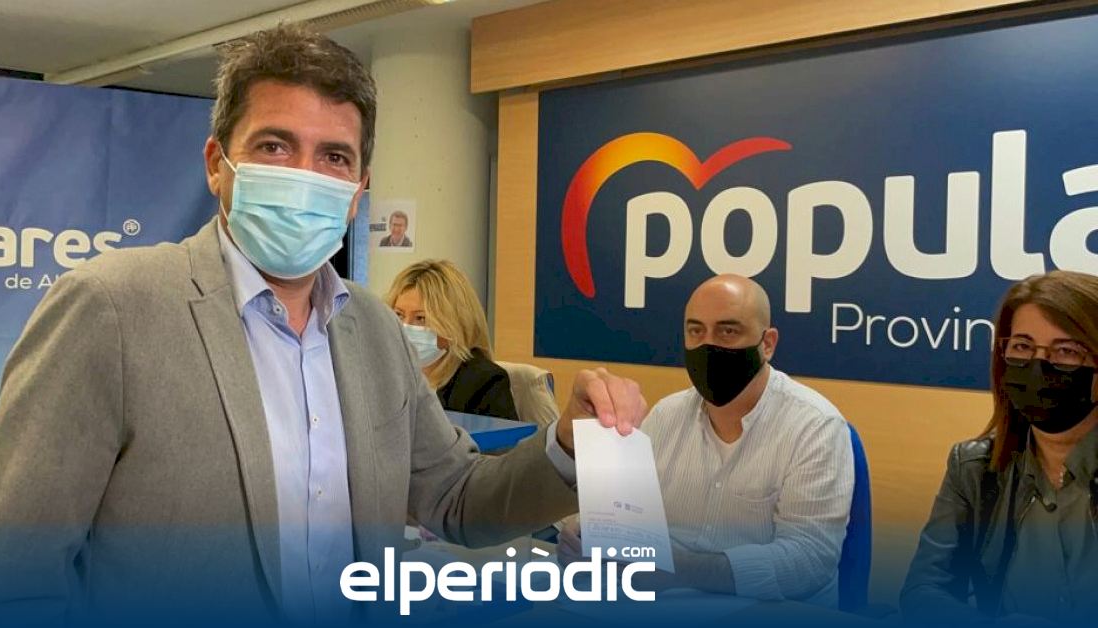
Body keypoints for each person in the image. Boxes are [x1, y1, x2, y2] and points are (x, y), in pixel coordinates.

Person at [0, 23, 647, 624]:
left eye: (334, 157)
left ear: (358, 191)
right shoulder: (110, 308)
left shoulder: (375, 330)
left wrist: (567, 444)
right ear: (217, 165)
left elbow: (457, 498)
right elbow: (8, 580)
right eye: (275, 147)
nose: (305, 176)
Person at [559, 274, 854, 607]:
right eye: (696, 331)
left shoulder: (816, 427)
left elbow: (809, 560)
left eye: (728, 332)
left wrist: (679, 571)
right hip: (665, 606)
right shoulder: (666, 416)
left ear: (768, 343)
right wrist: (591, 529)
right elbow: (628, 514)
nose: (708, 346)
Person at [901, 270, 1098, 625]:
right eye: (1022, 346)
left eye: (1066, 351)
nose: (1039, 366)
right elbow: (923, 593)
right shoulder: (975, 467)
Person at [386, 260, 519, 421]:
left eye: (421, 318)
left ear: (455, 324)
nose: (405, 327)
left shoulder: (483, 381)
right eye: (399, 315)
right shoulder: (385, 373)